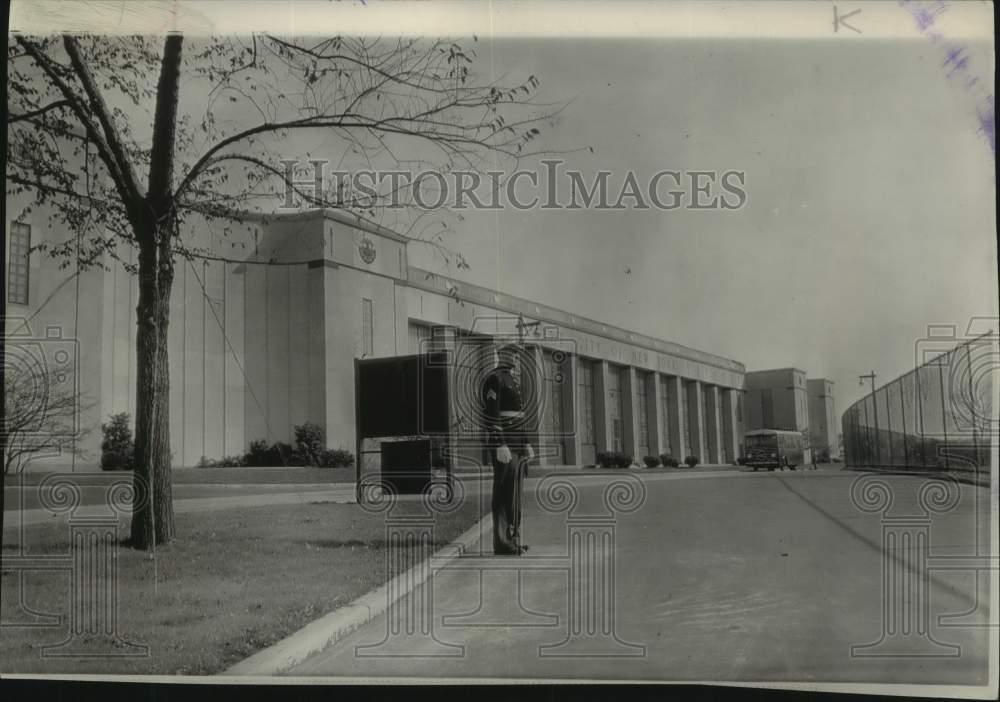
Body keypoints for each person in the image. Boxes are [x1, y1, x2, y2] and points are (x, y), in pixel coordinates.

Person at [482, 343, 535, 555]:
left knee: (515, 495)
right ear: (500, 355)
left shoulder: (512, 380)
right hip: (505, 446)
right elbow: (491, 415)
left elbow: (519, 417)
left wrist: (526, 443)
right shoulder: (494, 379)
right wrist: (499, 443)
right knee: (504, 494)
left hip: (517, 445)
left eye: (516, 355)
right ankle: (502, 543)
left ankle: (514, 540)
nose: (514, 358)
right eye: (510, 354)